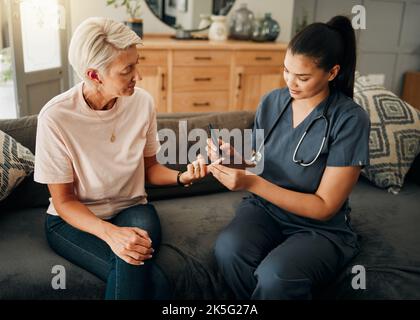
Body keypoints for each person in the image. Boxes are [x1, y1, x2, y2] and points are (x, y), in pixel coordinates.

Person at [34, 17, 208, 300]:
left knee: (135, 265)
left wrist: (181, 176)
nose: (137, 76)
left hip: (132, 207)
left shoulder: (142, 103)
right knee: (153, 281)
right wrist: (110, 234)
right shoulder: (56, 118)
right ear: (94, 75)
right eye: (127, 70)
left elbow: (150, 169)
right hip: (73, 221)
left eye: (136, 64)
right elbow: (64, 202)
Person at [207, 15, 371, 299]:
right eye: (286, 71)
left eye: (303, 77)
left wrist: (250, 182)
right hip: (265, 209)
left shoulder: (350, 119)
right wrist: (237, 158)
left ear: (332, 73)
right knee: (228, 249)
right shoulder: (273, 101)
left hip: (319, 228)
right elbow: (261, 160)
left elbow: (324, 207)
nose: (291, 83)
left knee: (276, 277)